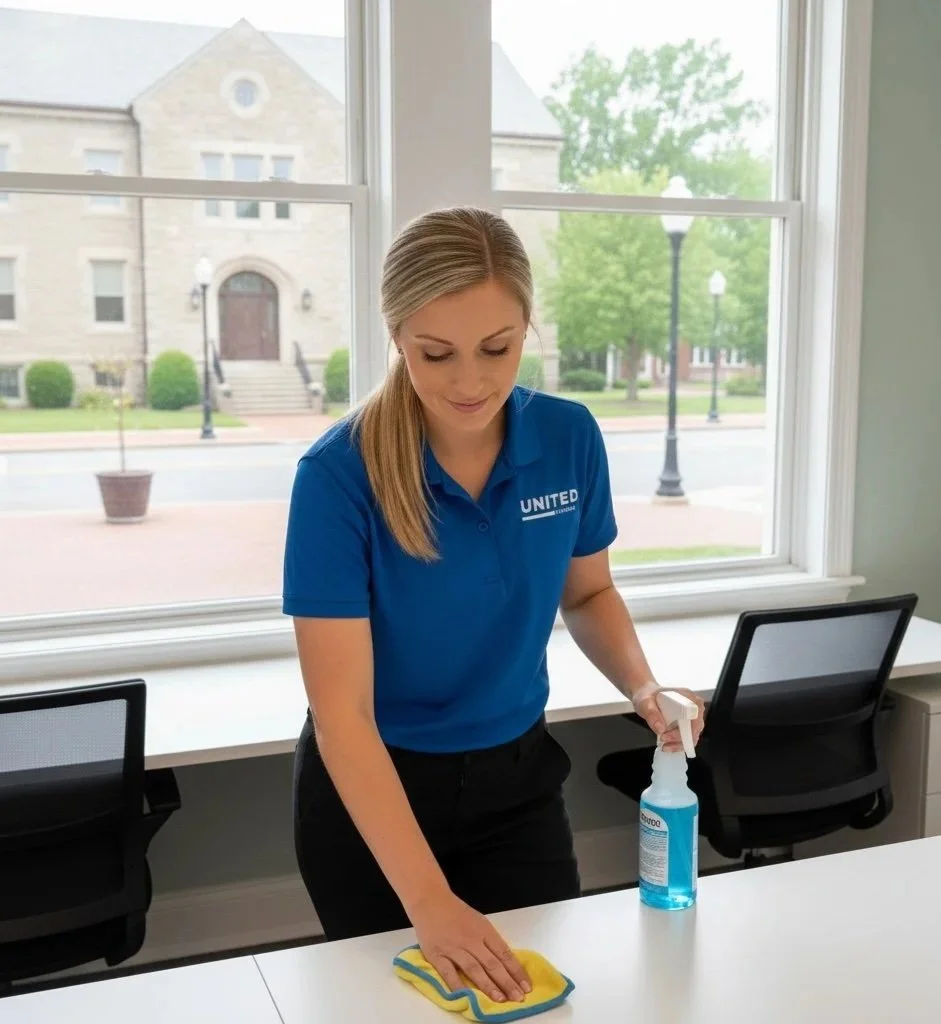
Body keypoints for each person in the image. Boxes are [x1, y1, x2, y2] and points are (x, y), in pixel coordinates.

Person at [283, 206, 705, 1006]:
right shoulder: (337, 476)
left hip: (517, 785)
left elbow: (588, 591)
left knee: (541, 1002)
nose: (470, 381)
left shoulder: (569, 438)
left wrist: (642, 687)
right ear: (396, 335)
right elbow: (343, 719)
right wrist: (429, 901)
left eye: (496, 348)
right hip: (376, 793)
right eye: (435, 353)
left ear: (526, 328)